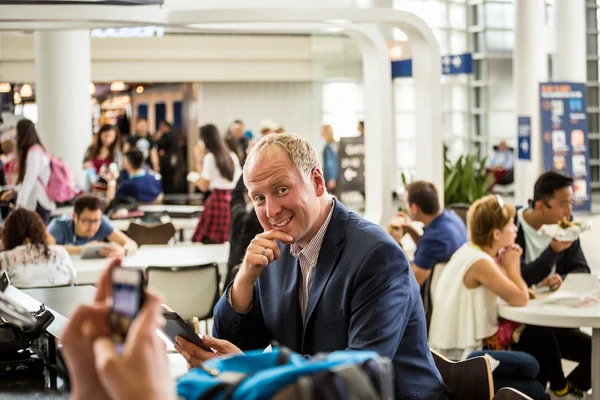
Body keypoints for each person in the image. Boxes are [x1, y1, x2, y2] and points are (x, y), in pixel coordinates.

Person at [175, 133, 448, 399]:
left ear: (317, 182)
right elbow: (235, 346)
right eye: (258, 198)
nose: (270, 211)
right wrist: (244, 279)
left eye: (281, 190)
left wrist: (255, 371)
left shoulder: (377, 256)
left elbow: (362, 372)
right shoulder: (275, 251)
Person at [428, 195, 547, 399]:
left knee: (532, 376)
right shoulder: (481, 262)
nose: (515, 230)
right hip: (463, 361)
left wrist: (502, 265)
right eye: (511, 225)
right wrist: (512, 266)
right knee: (533, 369)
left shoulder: (468, 252)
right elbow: (520, 298)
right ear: (497, 234)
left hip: (443, 358)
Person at [514, 171, 591, 396]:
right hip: (523, 324)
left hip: (556, 318)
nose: (569, 211)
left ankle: (567, 392)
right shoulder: (512, 228)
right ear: (540, 206)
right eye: (563, 204)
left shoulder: (566, 229)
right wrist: (553, 251)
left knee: (596, 351)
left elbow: (582, 270)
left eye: (571, 203)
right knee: (543, 346)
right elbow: (520, 278)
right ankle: (558, 388)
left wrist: (562, 279)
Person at [387, 181, 467, 286]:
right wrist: (410, 230)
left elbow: (411, 281)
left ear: (415, 208)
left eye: (406, 203)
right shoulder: (452, 218)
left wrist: (396, 243)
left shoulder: (434, 239)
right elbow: (427, 250)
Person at [191, 124, 242, 244]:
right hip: (231, 201)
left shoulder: (210, 157)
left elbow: (203, 186)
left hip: (216, 202)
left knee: (209, 240)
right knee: (226, 241)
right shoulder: (231, 156)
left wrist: (198, 160)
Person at [0, 209, 75, 288]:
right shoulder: (61, 252)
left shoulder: (4, 258)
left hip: (22, 299)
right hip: (62, 299)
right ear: (41, 230)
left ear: (7, 234)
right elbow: (72, 279)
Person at [0, 119, 55, 224]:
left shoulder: (33, 152)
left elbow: (29, 180)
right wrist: (14, 192)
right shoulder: (37, 150)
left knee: (38, 237)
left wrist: (19, 206)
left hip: (39, 202)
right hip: (40, 201)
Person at [47, 194, 138, 257]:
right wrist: (85, 249)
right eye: (86, 221)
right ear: (74, 216)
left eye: (96, 221)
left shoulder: (102, 222)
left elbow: (131, 244)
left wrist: (123, 251)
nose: (92, 227)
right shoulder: (58, 226)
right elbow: (46, 249)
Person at [82, 124, 122, 192]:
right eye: (105, 135)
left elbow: (118, 171)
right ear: (100, 134)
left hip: (107, 182)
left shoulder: (116, 152)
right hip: (92, 182)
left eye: (111, 136)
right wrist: (87, 165)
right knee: (90, 172)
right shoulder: (92, 148)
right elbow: (83, 164)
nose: (107, 139)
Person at [155, 121, 179, 194]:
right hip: (174, 158)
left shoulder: (167, 135)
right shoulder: (175, 134)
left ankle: (167, 193)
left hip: (167, 160)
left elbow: (159, 144)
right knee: (171, 178)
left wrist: (158, 137)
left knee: (166, 179)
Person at [320, 124, 338, 194]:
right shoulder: (333, 144)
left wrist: (331, 178)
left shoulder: (328, 146)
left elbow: (330, 163)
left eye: (322, 130)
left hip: (328, 177)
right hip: (331, 176)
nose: (320, 132)